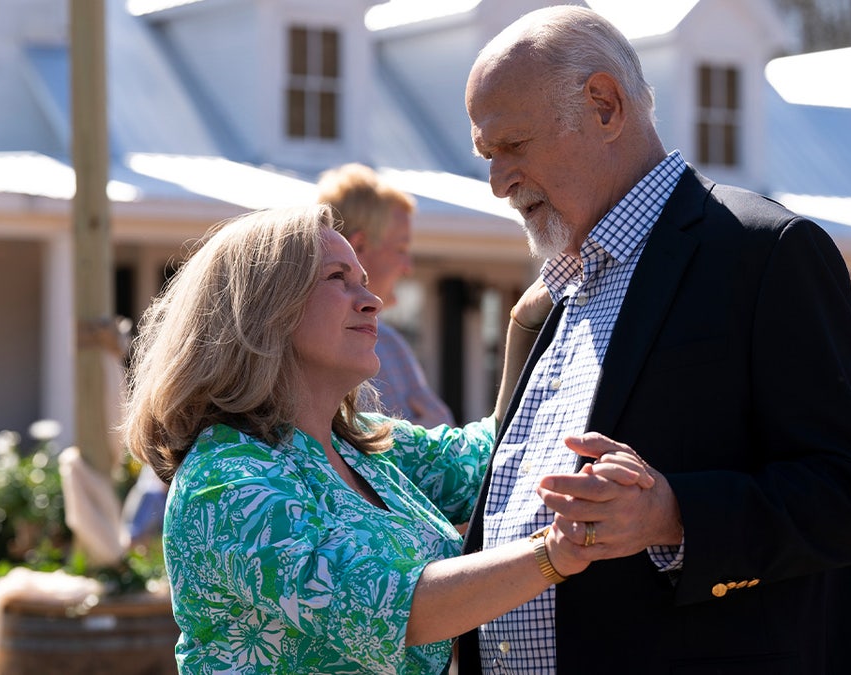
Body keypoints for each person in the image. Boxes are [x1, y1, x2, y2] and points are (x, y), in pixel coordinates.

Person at [457, 6, 851, 673]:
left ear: (604, 105)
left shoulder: (763, 252)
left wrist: (671, 513)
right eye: (489, 156)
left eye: (513, 145)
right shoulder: (558, 292)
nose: (498, 183)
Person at [121, 204, 646, 673]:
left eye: (365, 281)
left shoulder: (361, 446)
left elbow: (495, 458)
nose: (372, 300)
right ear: (262, 308)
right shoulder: (224, 481)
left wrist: (524, 325)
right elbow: (390, 607)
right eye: (338, 278)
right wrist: (557, 550)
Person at [316, 163, 455, 427]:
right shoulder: (382, 345)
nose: (408, 267)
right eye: (401, 249)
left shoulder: (295, 341)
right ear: (359, 245)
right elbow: (435, 434)